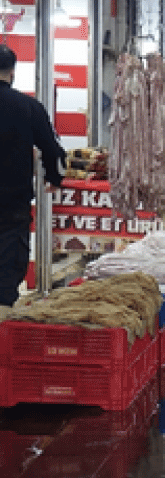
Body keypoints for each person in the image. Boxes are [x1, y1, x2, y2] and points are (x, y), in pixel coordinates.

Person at [0, 44, 64, 313]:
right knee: (7, 267)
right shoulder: (28, 106)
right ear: (12, 73)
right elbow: (52, 149)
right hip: (12, 204)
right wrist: (54, 178)